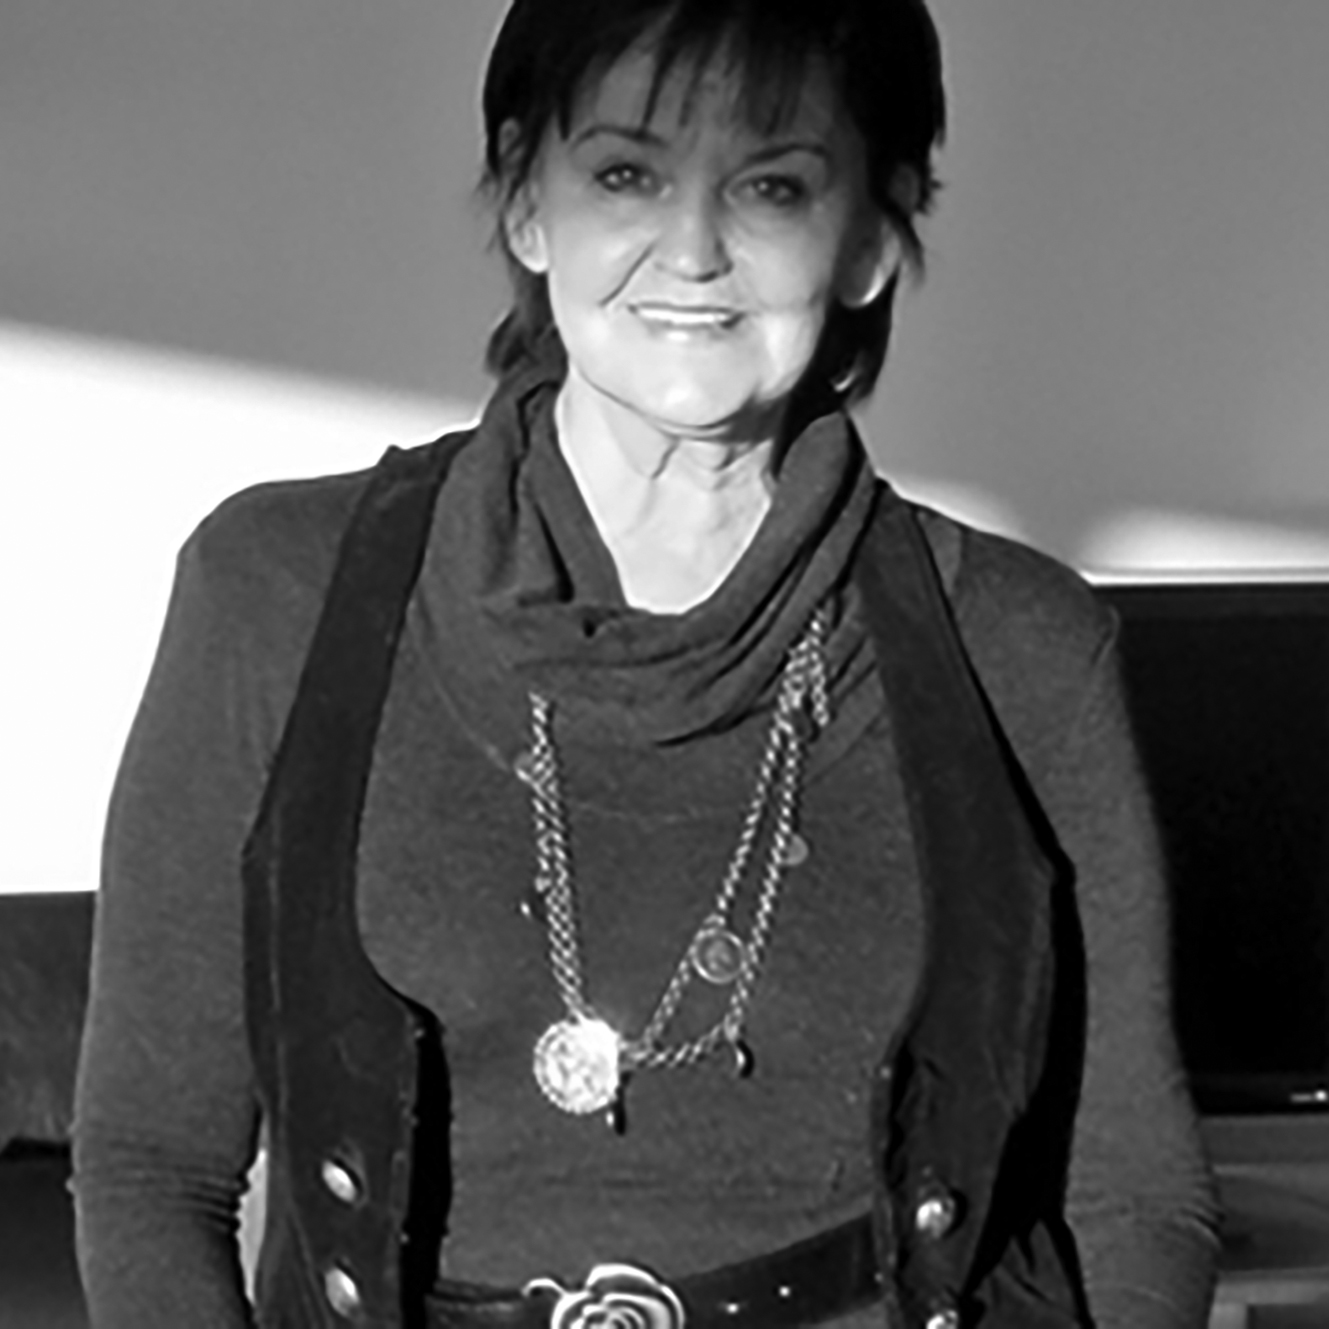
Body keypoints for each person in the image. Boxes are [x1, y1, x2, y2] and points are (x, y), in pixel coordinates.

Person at [72, 1, 1221, 1326]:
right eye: (626, 173)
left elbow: (1134, 1194)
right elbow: (152, 1167)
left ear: (871, 233)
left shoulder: (1022, 645)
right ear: (526, 204)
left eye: (773, 186)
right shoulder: (275, 591)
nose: (692, 249)